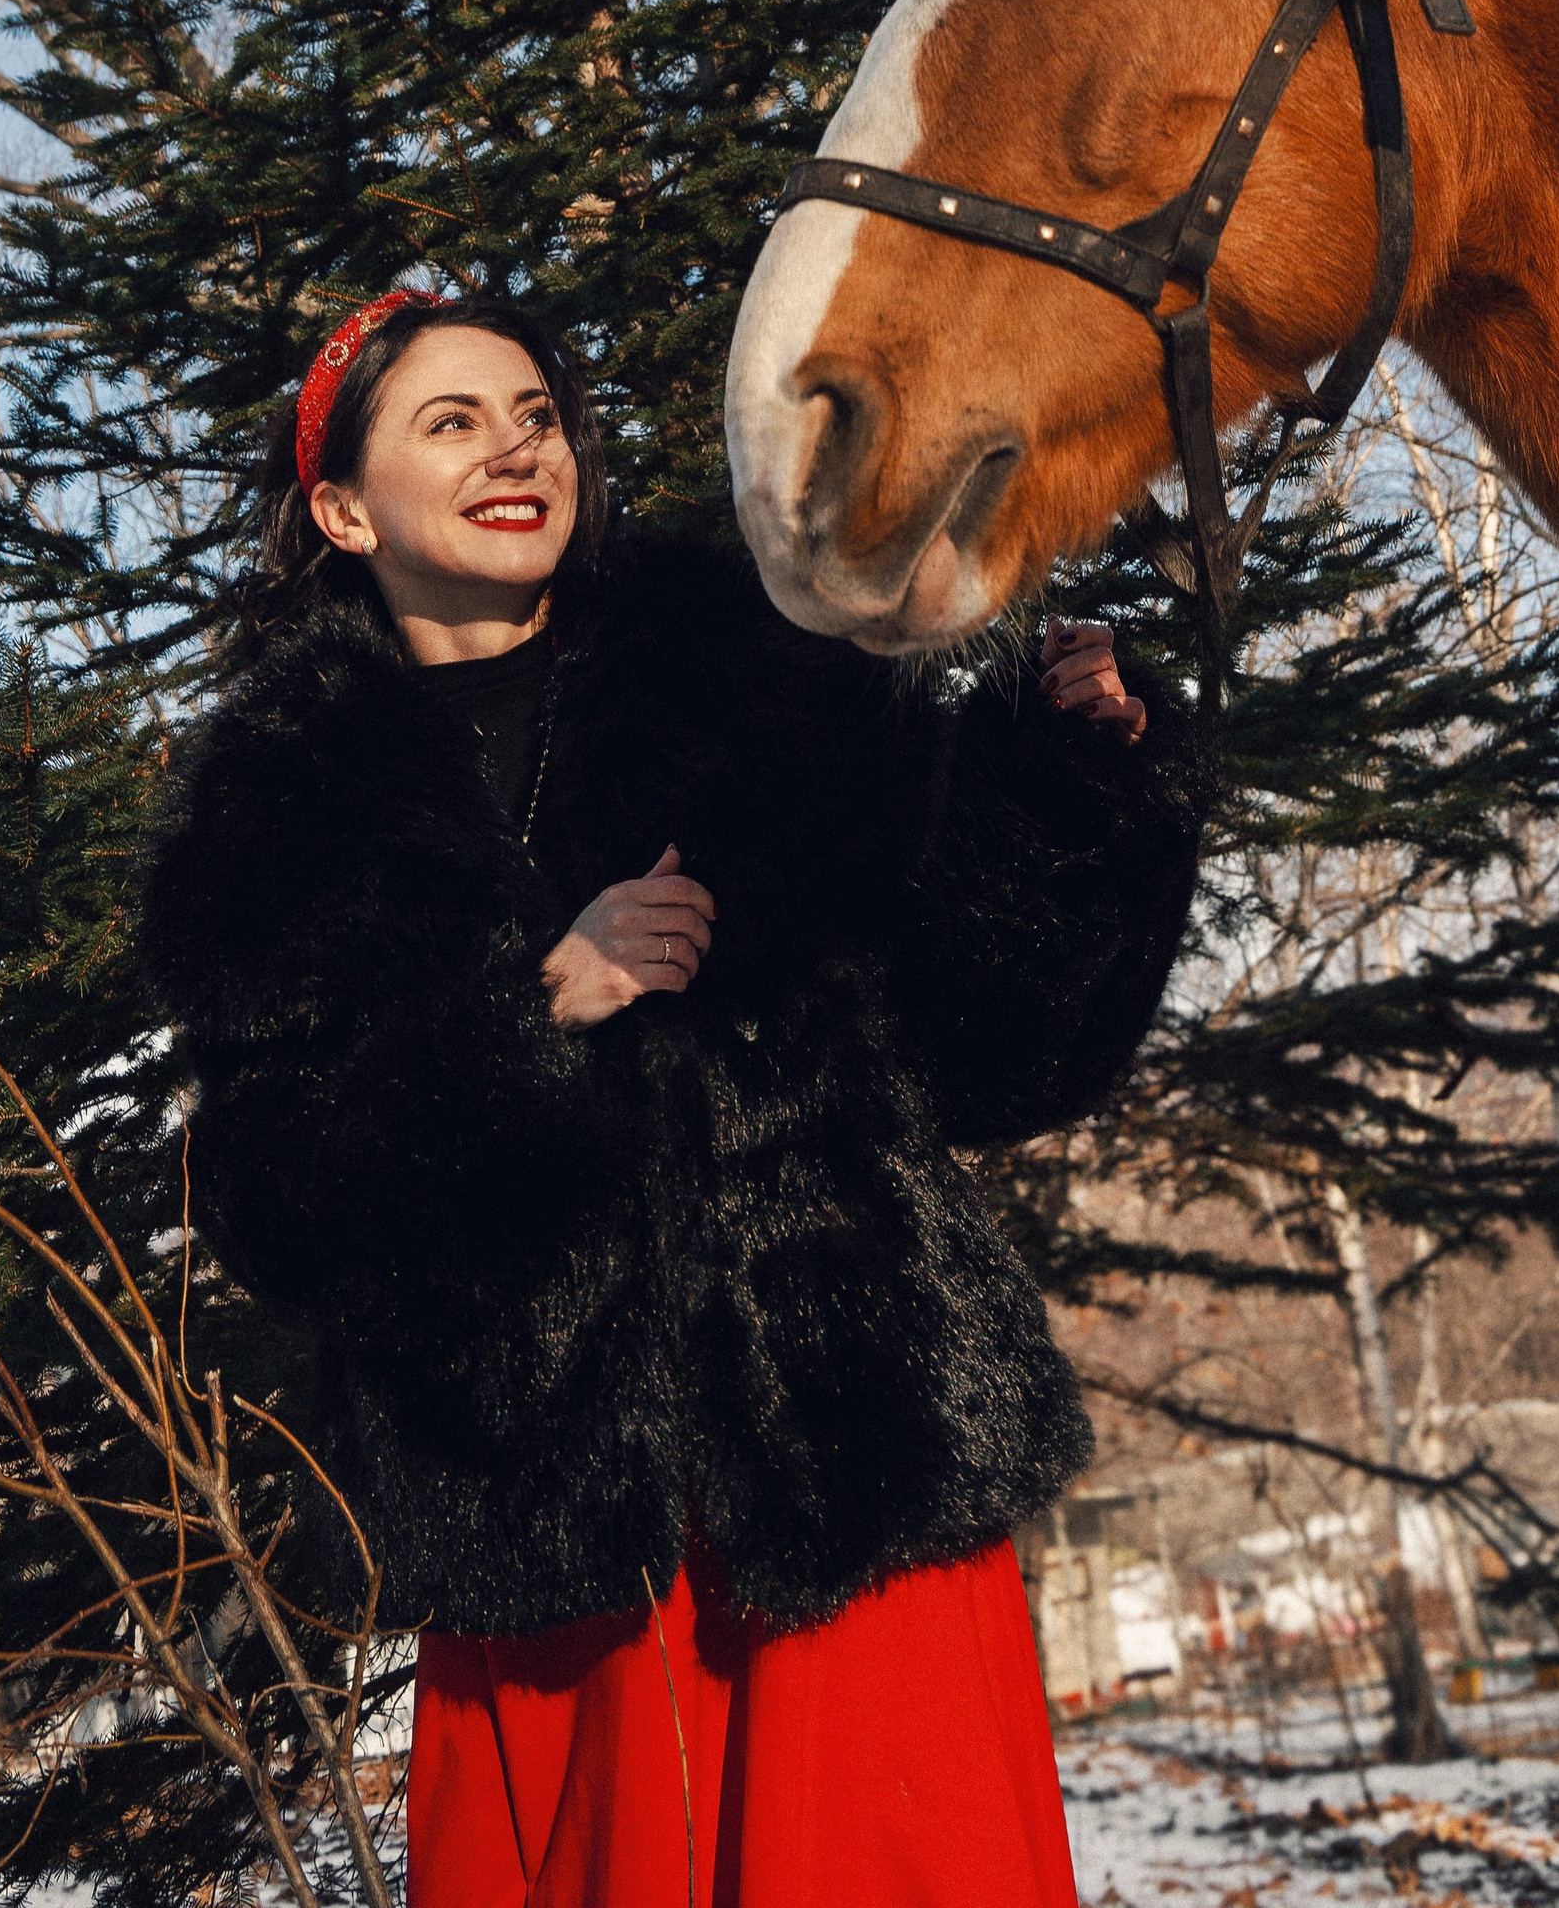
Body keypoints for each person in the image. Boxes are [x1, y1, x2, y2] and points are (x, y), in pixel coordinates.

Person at [137, 290, 1210, 1908]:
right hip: (552, 1556)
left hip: (851, 1488)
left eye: (535, 413)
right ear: (345, 508)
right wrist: (532, 1009)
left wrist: (1065, 783)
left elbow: (998, 1045)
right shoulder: (272, 827)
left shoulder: (759, 682)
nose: (517, 447)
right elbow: (276, 1200)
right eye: (452, 422)